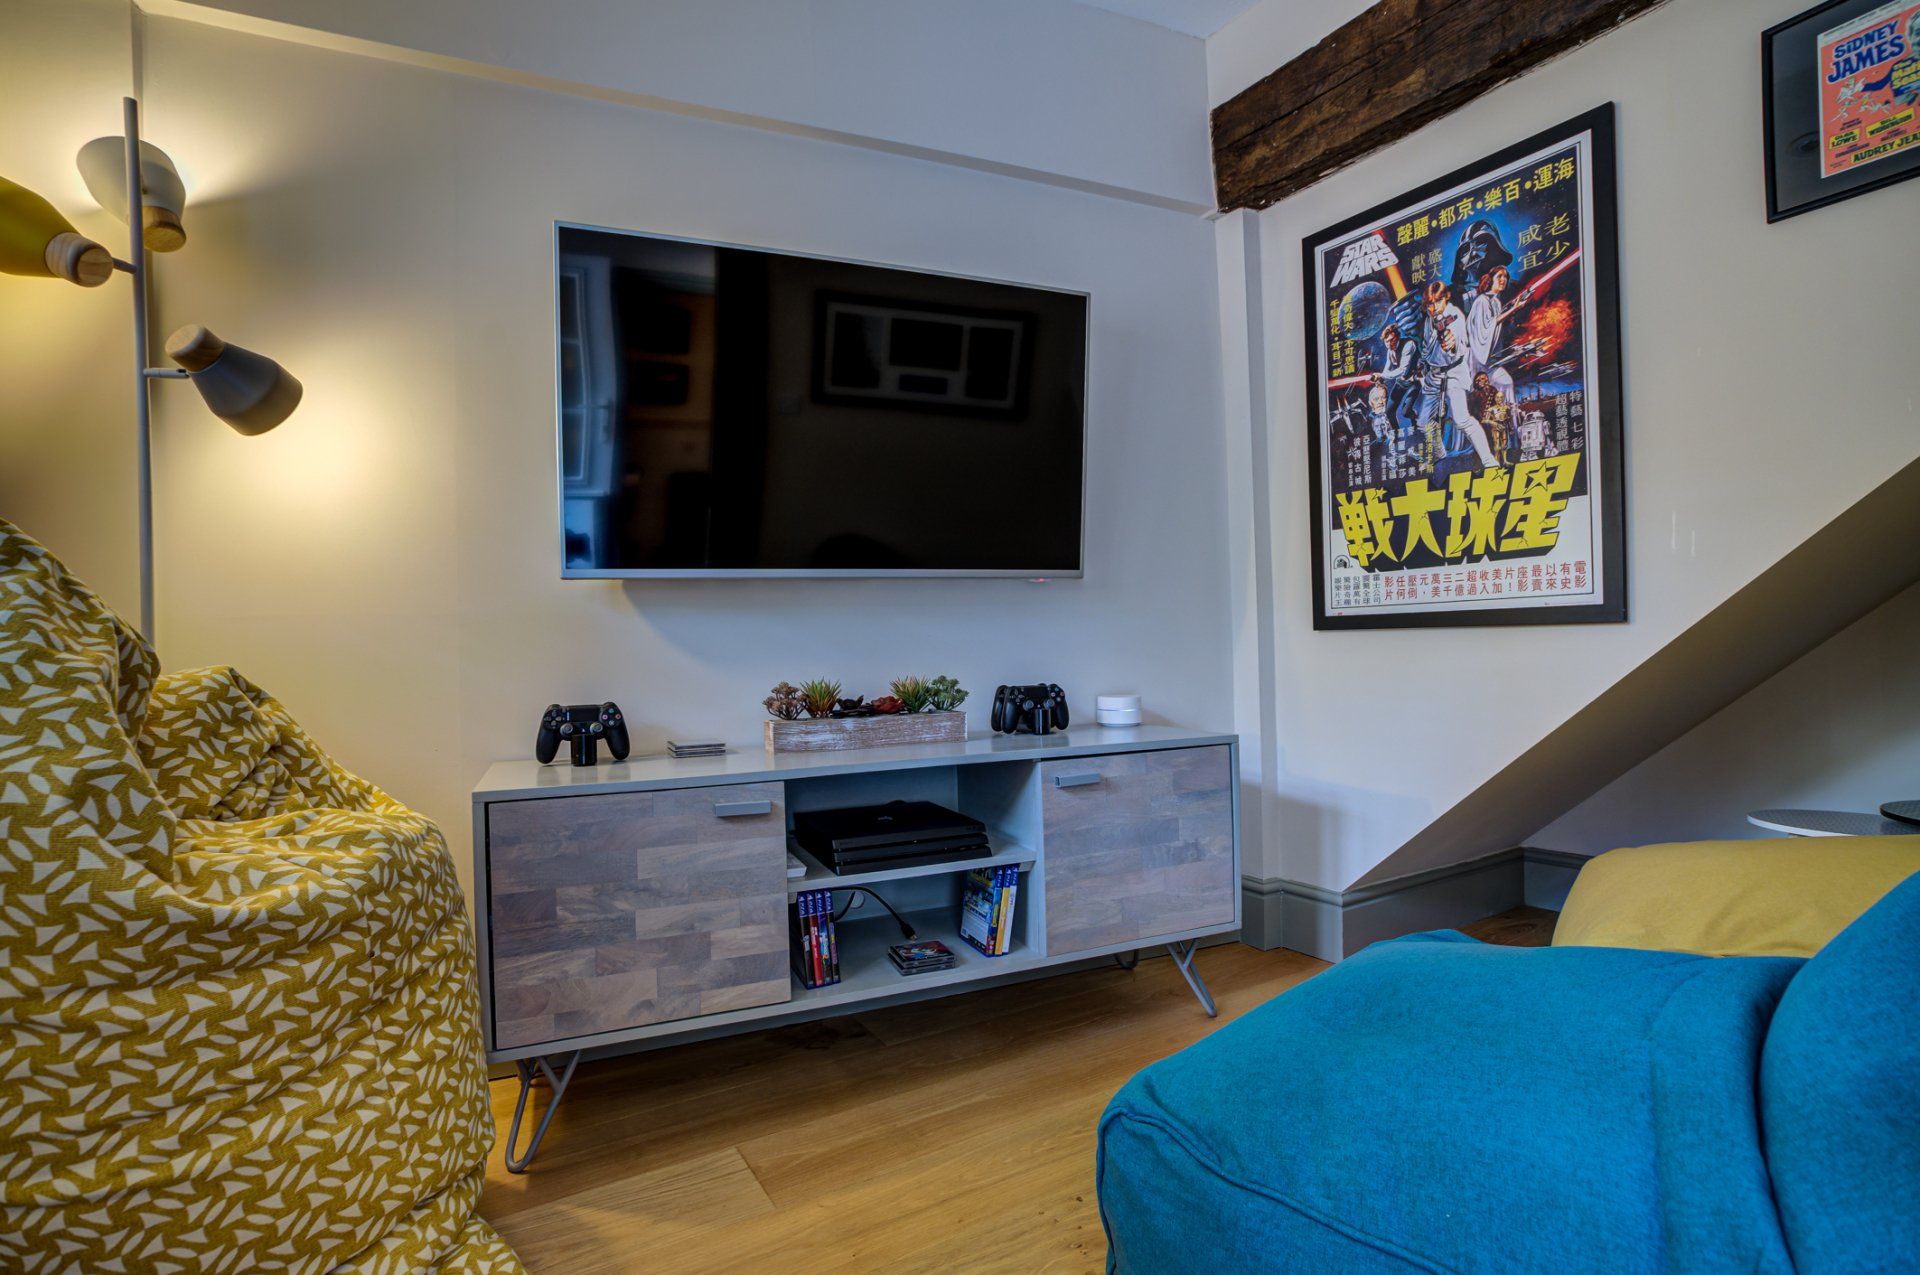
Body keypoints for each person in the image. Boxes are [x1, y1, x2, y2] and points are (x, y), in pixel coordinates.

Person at [1416, 280, 1496, 468]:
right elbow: (1427, 349)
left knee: (1462, 419)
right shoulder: (1428, 320)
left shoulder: (1456, 317)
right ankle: (1438, 453)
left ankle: (1488, 460)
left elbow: (1456, 344)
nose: (1434, 308)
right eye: (1430, 304)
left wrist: (1450, 345)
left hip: (1453, 373)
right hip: (1434, 375)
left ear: (1446, 298)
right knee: (1423, 421)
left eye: (1438, 301)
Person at [1466, 265, 1520, 405]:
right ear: (1491, 280)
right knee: (1476, 396)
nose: (1503, 279)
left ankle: (1510, 416)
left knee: (1506, 383)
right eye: (1499, 276)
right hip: (1478, 359)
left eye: (1505, 276)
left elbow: (1496, 329)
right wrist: (1513, 309)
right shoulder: (1482, 301)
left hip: (1490, 359)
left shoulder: (1496, 302)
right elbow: (1486, 328)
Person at [1374, 324, 1420, 458]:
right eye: (1387, 342)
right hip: (1401, 382)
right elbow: (1388, 368)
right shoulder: (1390, 350)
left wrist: (1382, 375)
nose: (1390, 344)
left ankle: (1415, 422)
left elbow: (1402, 370)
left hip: (1414, 381)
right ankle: (1397, 436)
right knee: (1389, 411)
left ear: (1397, 337)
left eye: (1392, 340)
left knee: (1406, 412)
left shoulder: (1408, 345)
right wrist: (1380, 378)